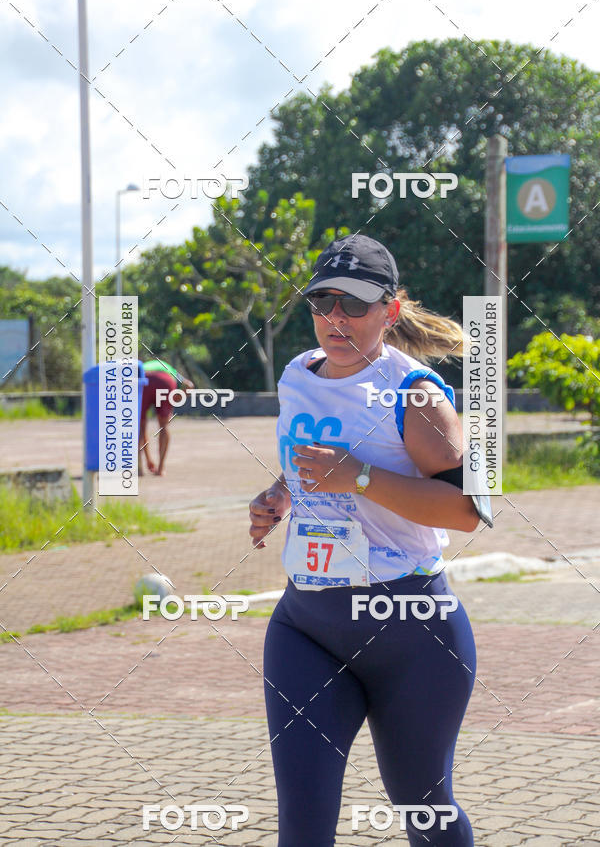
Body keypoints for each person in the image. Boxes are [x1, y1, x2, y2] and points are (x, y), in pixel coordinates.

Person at [248, 235, 492, 846]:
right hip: (307, 624)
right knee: (302, 827)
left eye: (354, 304)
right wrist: (281, 494)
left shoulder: (419, 392)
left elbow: (466, 512)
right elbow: (311, 458)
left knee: (424, 808)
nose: (335, 318)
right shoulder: (296, 375)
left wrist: (354, 476)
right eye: (322, 301)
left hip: (409, 628)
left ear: (389, 310)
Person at [139, 359, 193, 476]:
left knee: (141, 427)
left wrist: (148, 460)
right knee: (164, 426)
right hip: (165, 381)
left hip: (145, 379)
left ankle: (140, 468)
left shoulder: (142, 367)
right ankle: (161, 469)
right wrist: (177, 398)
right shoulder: (168, 368)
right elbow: (189, 385)